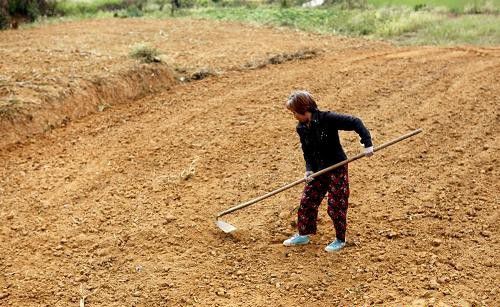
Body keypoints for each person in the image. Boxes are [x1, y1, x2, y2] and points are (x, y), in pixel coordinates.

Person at [283, 90, 373, 252]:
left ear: (304, 110)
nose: (294, 116)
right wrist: (309, 170)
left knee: (335, 205)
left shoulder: (327, 119)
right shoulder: (302, 127)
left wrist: (367, 144)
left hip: (336, 168)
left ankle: (340, 239)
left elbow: (355, 122)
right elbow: (307, 151)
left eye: (295, 112)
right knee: (307, 201)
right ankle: (304, 234)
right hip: (318, 170)